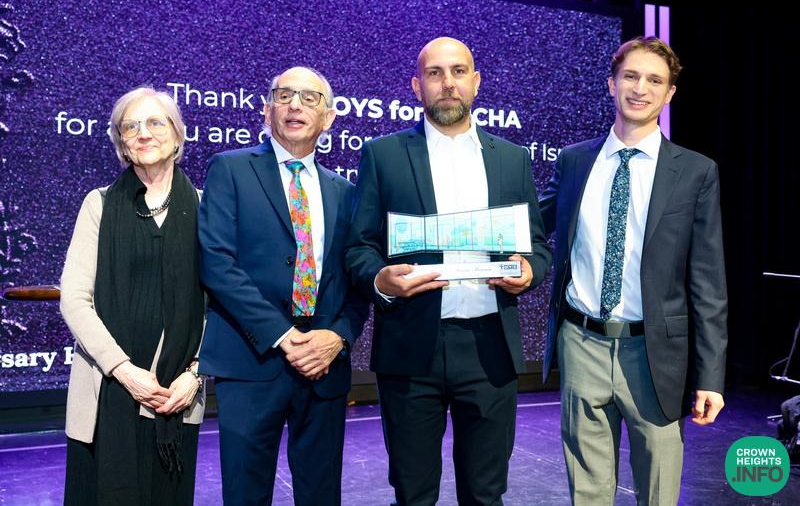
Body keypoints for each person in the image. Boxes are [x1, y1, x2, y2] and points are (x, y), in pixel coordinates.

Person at [345, 37, 551, 505]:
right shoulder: (383, 154)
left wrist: (530, 271)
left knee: (485, 494)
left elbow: (537, 245)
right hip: (410, 346)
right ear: (417, 86)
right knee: (413, 494)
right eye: (435, 73)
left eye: (458, 72)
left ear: (475, 82)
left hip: (489, 347)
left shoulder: (512, 157)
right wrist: (380, 280)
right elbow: (359, 246)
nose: (448, 83)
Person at [538, 36, 728, 505]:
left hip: (655, 352)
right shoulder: (575, 161)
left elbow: (708, 282)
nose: (641, 89)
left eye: (654, 80)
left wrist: (710, 376)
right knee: (587, 492)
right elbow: (531, 225)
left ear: (669, 94)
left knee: (658, 490)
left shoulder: (696, 172)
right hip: (581, 342)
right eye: (631, 76)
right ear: (612, 83)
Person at [197, 66, 367, 506]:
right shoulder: (230, 169)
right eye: (284, 95)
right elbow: (217, 263)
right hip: (251, 359)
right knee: (246, 494)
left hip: (323, 365)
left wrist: (338, 337)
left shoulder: (345, 191)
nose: (295, 105)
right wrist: (284, 335)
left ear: (328, 117)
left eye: (309, 98)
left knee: (320, 494)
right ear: (266, 109)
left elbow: (357, 279)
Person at [60, 86, 205, 506]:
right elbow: (74, 298)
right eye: (130, 126)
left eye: (156, 122)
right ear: (121, 142)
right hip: (107, 391)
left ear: (177, 136)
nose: (143, 133)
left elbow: (220, 304)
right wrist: (124, 370)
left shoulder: (207, 207)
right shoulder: (99, 204)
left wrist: (196, 374)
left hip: (176, 395)